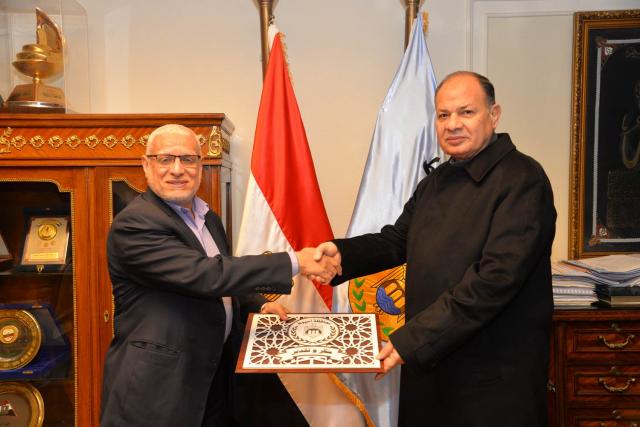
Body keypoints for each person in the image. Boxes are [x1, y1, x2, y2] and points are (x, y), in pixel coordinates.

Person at [315, 71, 556, 426]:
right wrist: (342, 256)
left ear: (494, 115)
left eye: (466, 112)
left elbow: (493, 281)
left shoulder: (523, 179)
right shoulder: (435, 181)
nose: (453, 124)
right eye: (443, 114)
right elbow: (397, 240)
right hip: (431, 368)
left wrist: (412, 340)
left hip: (490, 381)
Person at [100, 124, 338, 427]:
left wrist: (258, 304)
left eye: (188, 159)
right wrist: (294, 261)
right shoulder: (135, 224)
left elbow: (224, 276)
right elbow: (204, 274)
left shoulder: (207, 218)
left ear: (200, 165)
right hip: (159, 389)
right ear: (146, 166)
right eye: (165, 159)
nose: (177, 170)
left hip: (213, 378)